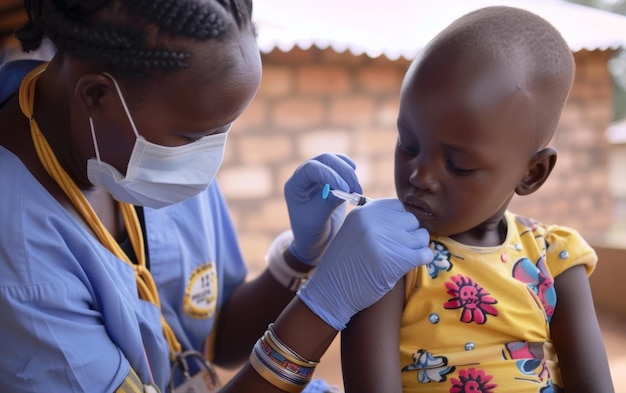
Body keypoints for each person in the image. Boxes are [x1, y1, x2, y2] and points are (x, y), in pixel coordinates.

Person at [0, 1, 434, 392]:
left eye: (224, 129)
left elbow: (216, 338)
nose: (207, 155)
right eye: (195, 135)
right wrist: (326, 305)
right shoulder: (19, 262)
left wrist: (303, 257)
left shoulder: (135, 147)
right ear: (95, 96)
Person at [340, 6, 615, 393]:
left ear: (531, 173)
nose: (421, 176)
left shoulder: (554, 258)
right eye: (409, 145)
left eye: (458, 164)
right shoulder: (390, 256)